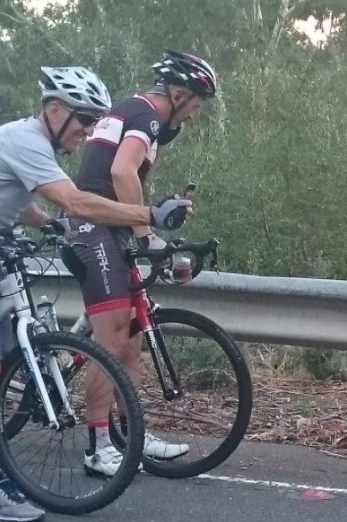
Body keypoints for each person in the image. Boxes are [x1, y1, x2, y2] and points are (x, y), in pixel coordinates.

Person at [0, 66, 192, 522]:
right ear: (55, 109)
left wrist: (46, 223)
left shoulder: (32, 144)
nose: (87, 133)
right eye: (83, 120)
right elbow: (79, 200)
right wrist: (147, 214)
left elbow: (15, 196)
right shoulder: (27, 139)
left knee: (2, 363)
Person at [62, 50, 218, 476]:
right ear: (179, 93)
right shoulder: (148, 115)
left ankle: (130, 435)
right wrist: (147, 236)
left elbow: (132, 183)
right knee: (110, 341)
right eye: (195, 108)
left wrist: (157, 217)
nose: (192, 119)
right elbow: (121, 173)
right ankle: (98, 446)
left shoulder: (136, 111)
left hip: (108, 226)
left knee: (131, 341)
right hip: (92, 226)